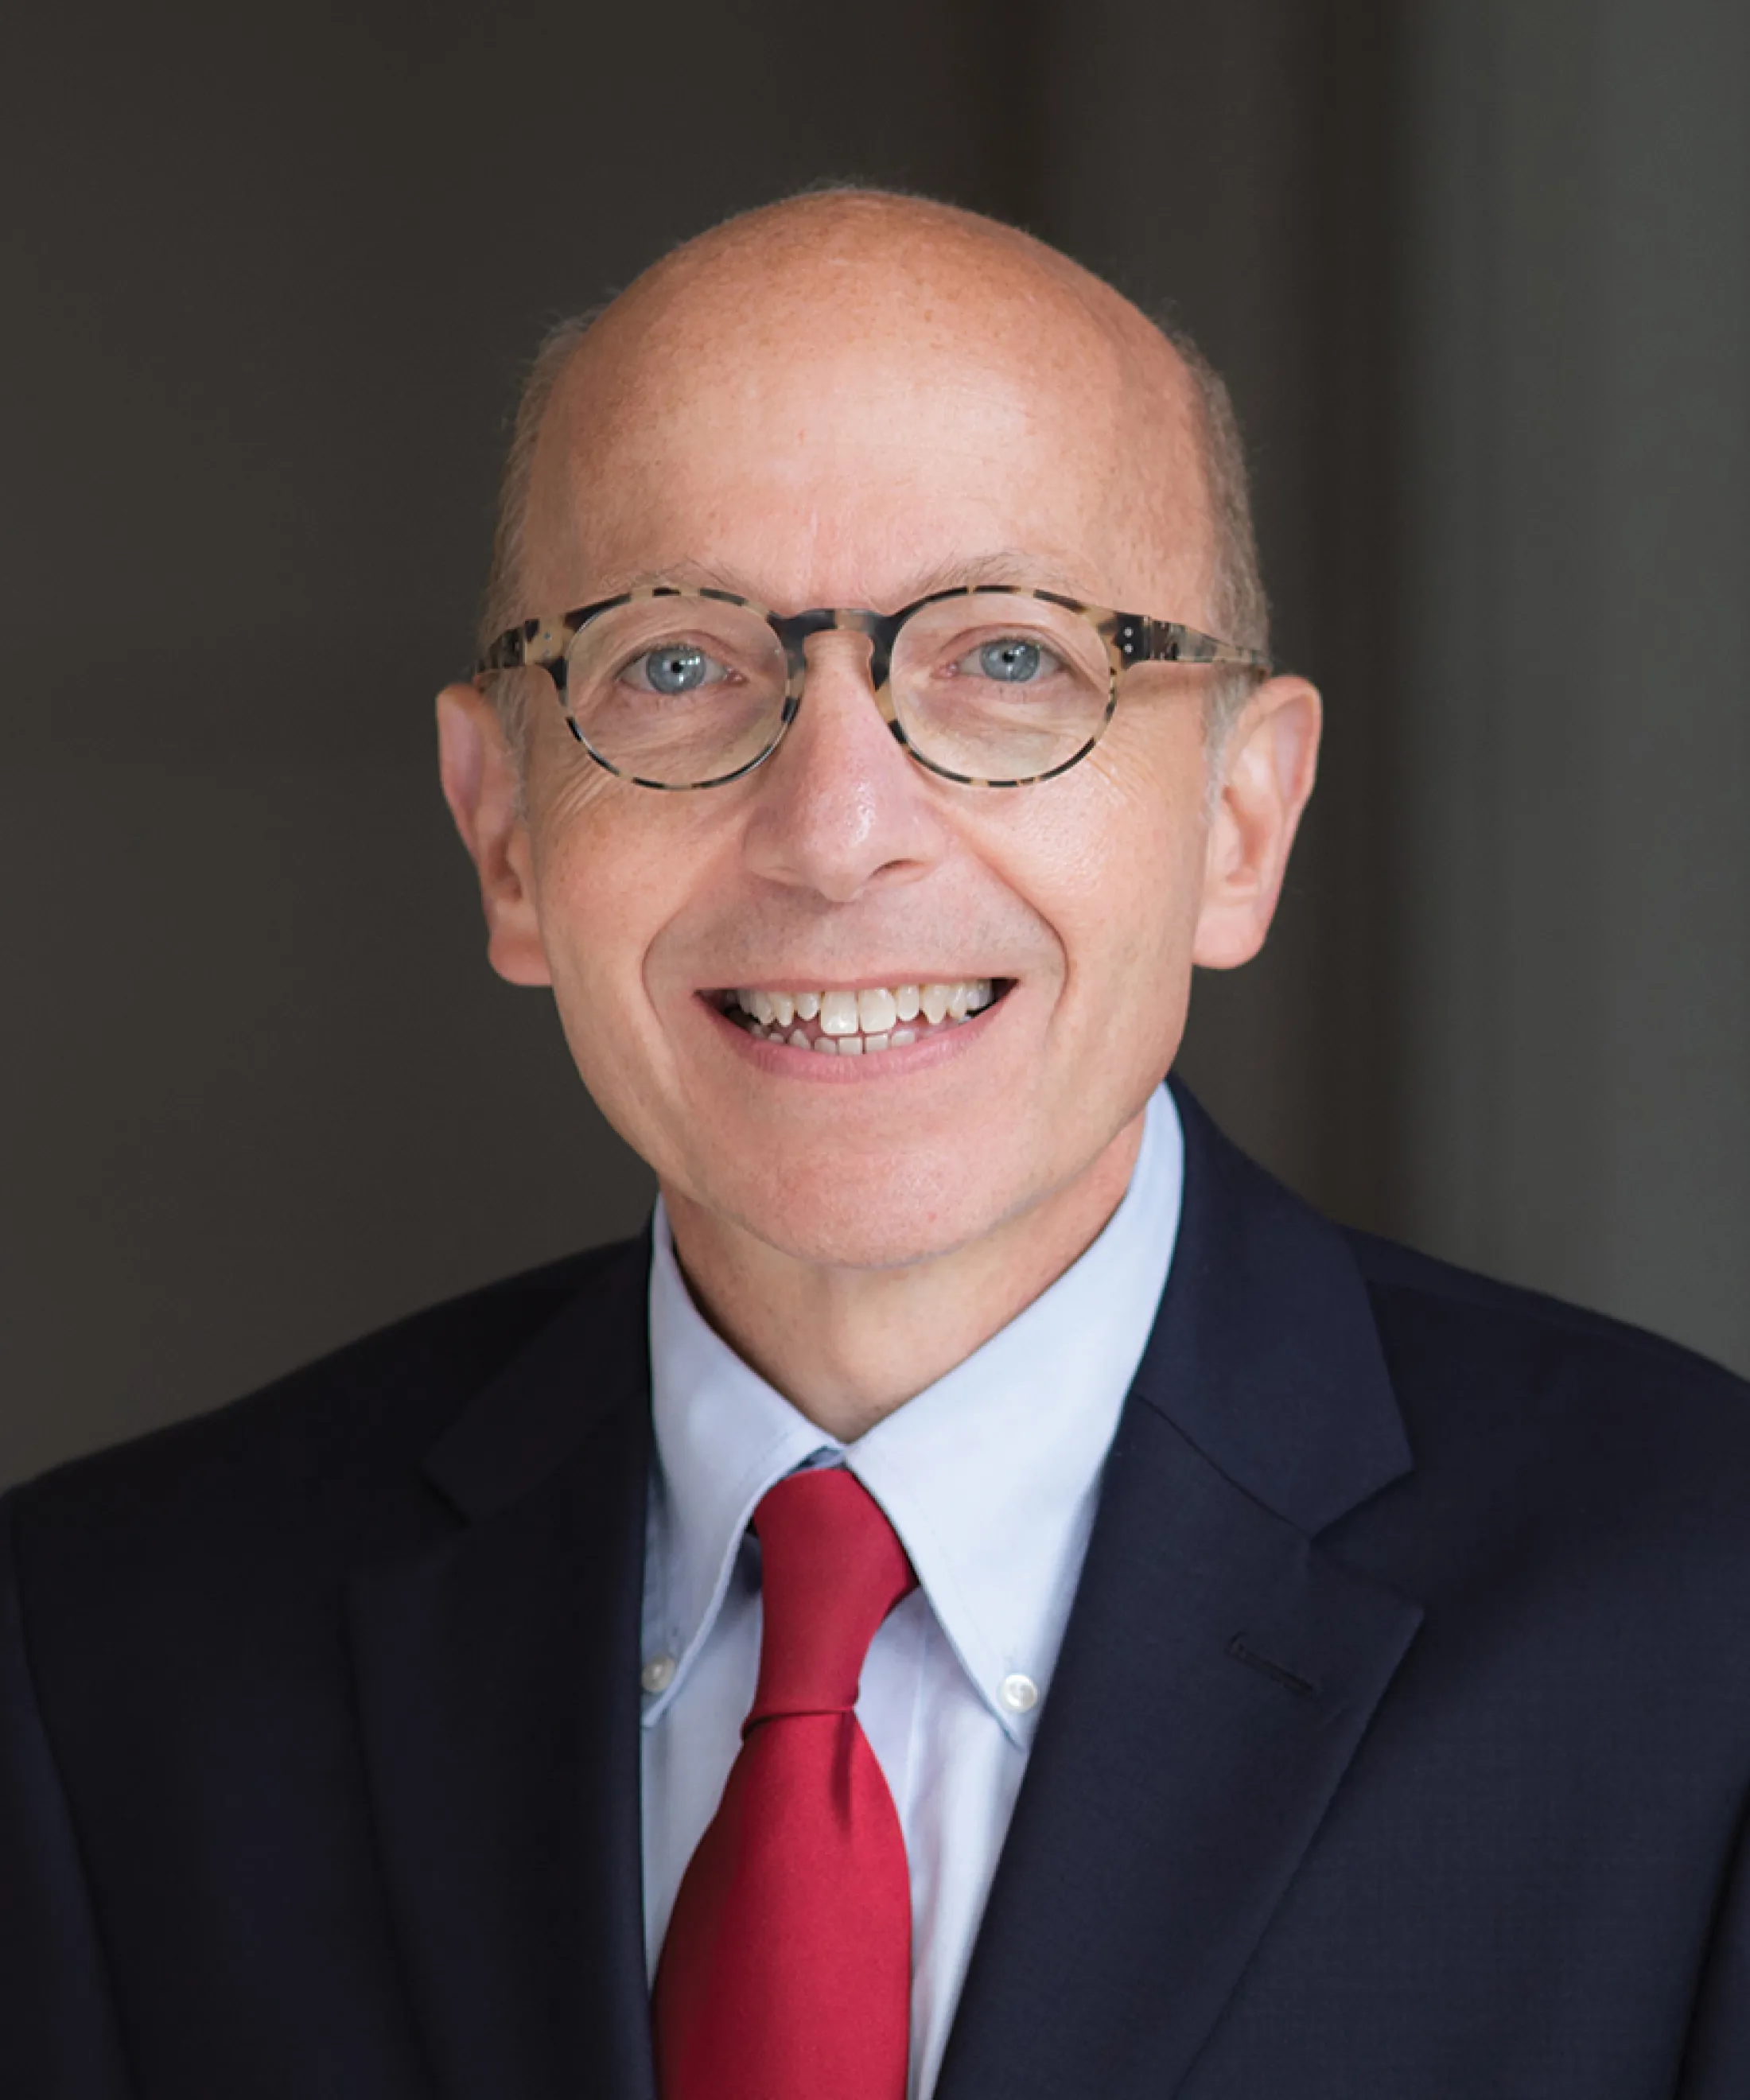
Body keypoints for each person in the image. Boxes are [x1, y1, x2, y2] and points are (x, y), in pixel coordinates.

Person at [3, 188, 1748, 2100]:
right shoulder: (103, 1667)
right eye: (674, 664)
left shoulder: (1702, 1629)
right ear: (504, 830)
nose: (838, 830)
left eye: (1008, 660)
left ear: (1239, 822)